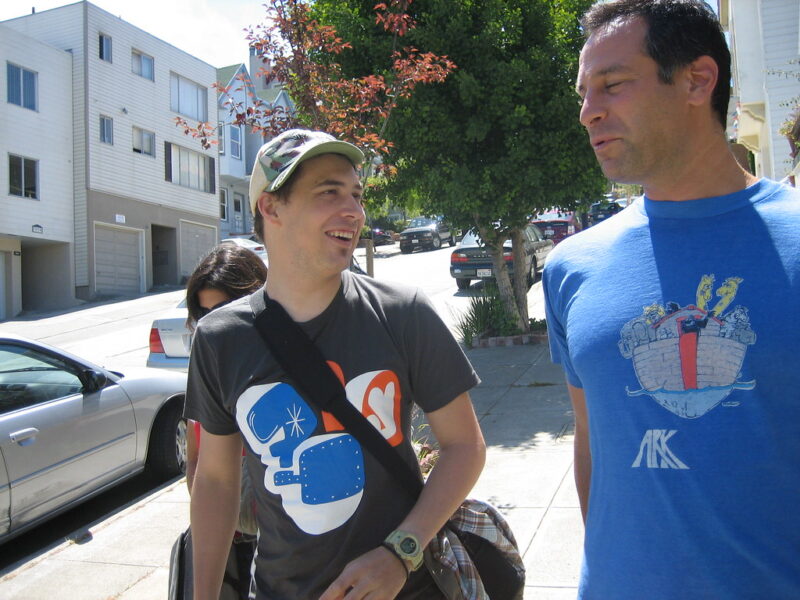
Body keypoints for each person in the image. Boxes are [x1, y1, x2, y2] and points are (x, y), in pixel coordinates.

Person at [543, 1, 800, 598]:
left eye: (612, 85)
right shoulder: (571, 267)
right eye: (583, 93)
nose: (588, 113)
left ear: (697, 80)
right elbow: (595, 443)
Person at [185, 129, 486, 599]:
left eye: (357, 195)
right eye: (329, 192)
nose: (354, 211)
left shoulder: (403, 313)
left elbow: (465, 447)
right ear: (271, 207)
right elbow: (217, 481)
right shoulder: (220, 339)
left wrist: (400, 553)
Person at [181, 243, 269, 600]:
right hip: (231, 540)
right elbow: (197, 464)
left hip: (287, 544)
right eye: (202, 315)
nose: (211, 324)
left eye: (221, 310)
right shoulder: (207, 367)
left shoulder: (277, 364)